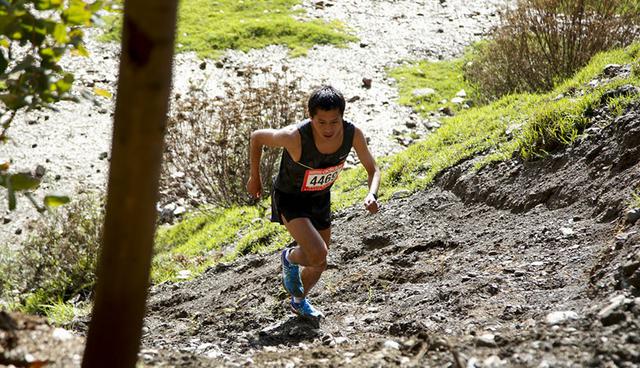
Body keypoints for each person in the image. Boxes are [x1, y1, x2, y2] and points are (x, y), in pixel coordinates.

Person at [247, 85, 380, 320]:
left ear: (342, 116)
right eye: (321, 122)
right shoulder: (294, 136)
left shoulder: (353, 134)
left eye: (334, 121)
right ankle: (289, 257)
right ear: (310, 118)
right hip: (290, 198)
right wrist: (254, 178)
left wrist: (372, 194)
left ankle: (299, 301)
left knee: (319, 262)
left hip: (320, 198)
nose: (328, 128)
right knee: (317, 251)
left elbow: (373, 169)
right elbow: (257, 137)